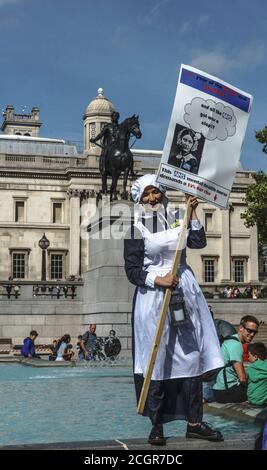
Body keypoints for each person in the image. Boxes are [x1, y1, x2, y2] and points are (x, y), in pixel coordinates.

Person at [124, 174, 224, 445]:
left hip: (184, 290)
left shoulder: (178, 215)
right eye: (146, 195)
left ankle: (194, 422)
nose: (152, 198)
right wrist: (159, 279)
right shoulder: (134, 228)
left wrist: (193, 212)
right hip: (154, 295)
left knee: (191, 356)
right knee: (156, 360)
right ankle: (157, 425)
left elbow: (197, 243)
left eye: (155, 192)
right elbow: (132, 270)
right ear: (139, 198)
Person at [213, 315, 260, 403]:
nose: (252, 334)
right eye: (249, 331)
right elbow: (242, 378)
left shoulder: (229, 340)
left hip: (219, 390)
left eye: (255, 332)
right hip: (227, 392)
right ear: (241, 328)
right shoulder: (236, 345)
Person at [90, 111, 120, 178]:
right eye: (114, 116)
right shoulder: (107, 126)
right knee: (104, 154)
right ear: (112, 118)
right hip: (109, 146)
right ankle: (103, 168)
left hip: (117, 147)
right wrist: (94, 139)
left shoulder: (120, 127)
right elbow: (101, 134)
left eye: (116, 116)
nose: (115, 117)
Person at [247, 342, 267, 406]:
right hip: (263, 401)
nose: (248, 358)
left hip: (251, 399)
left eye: (249, 356)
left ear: (255, 357)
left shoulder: (250, 368)